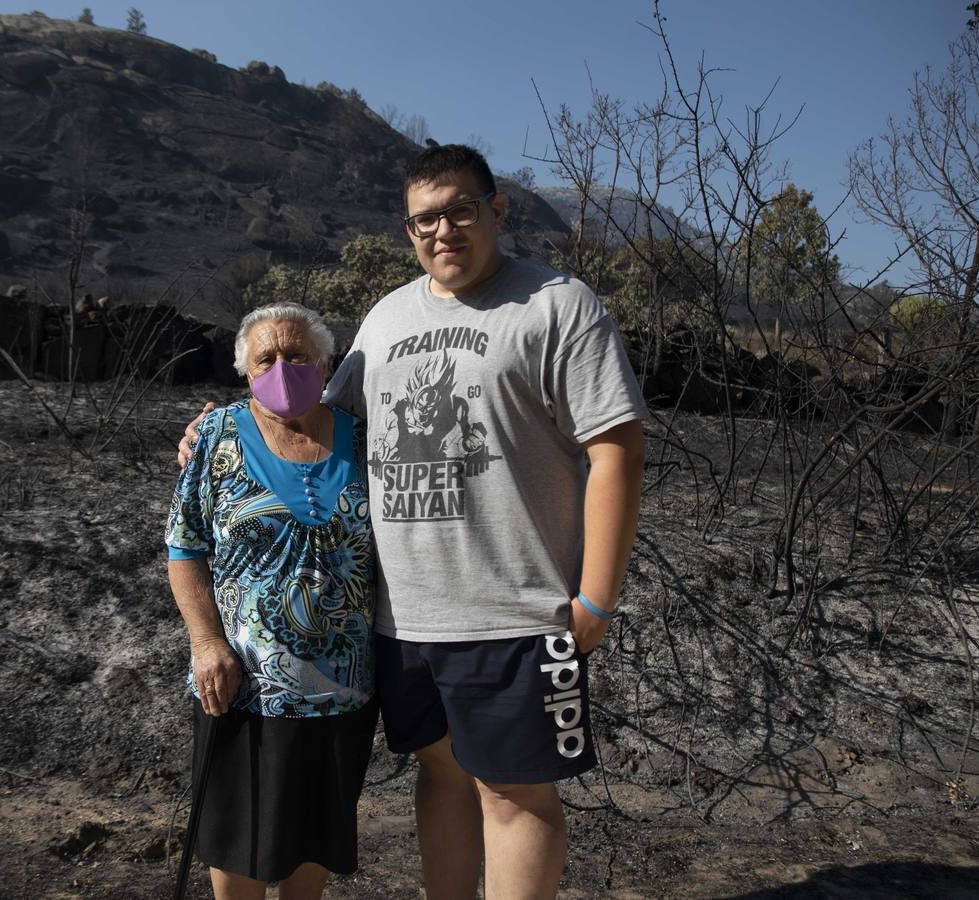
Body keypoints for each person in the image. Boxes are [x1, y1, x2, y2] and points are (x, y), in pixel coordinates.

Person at [181, 144, 647, 899]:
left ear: (497, 209)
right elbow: (314, 417)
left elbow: (617, 449)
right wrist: (220, 426)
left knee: (514, 794)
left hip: (516, 613)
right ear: (408, 230)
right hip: (401, 622)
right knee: (443, 774)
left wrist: (595, 599)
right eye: (425, 219)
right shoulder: (386, 317)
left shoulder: (558, 304)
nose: (444, 230)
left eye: (461, 210)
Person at [165, 301, 377, 900]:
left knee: (312, 848)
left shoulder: (362, 438)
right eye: (268, 359)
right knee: (237, 843)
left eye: (298, 356)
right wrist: (206, 644)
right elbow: (184, 549)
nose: (284, 368)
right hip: (242, 686)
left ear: (325, 363)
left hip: (345, 692)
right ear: (245, 371)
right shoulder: (216, 435)